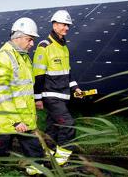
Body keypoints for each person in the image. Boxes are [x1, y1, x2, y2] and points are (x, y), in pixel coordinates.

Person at [0, 17, 44, 175]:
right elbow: (2, 92)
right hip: (8, 120)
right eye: (30, 39)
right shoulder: (3, 57)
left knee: (36, 154)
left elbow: (24, 90)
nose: (32, 44)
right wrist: (15, 120)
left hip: (25, 119)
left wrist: (31, 112)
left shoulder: (24, 57)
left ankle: (35, 172)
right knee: (0, 154)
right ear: (18, 37)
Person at [32, 10, 81, 166]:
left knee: (53, 127)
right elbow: (38, 75)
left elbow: (67, 72)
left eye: (68, 25)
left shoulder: (64, 47)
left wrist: (75, 89)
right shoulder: (44, 46)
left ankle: (45, 155)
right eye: (63, 24)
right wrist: (37, 98)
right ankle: (61, 159)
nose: (66, 28)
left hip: (63, 95)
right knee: (68, 124)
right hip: (50, 95)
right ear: (54, 24)